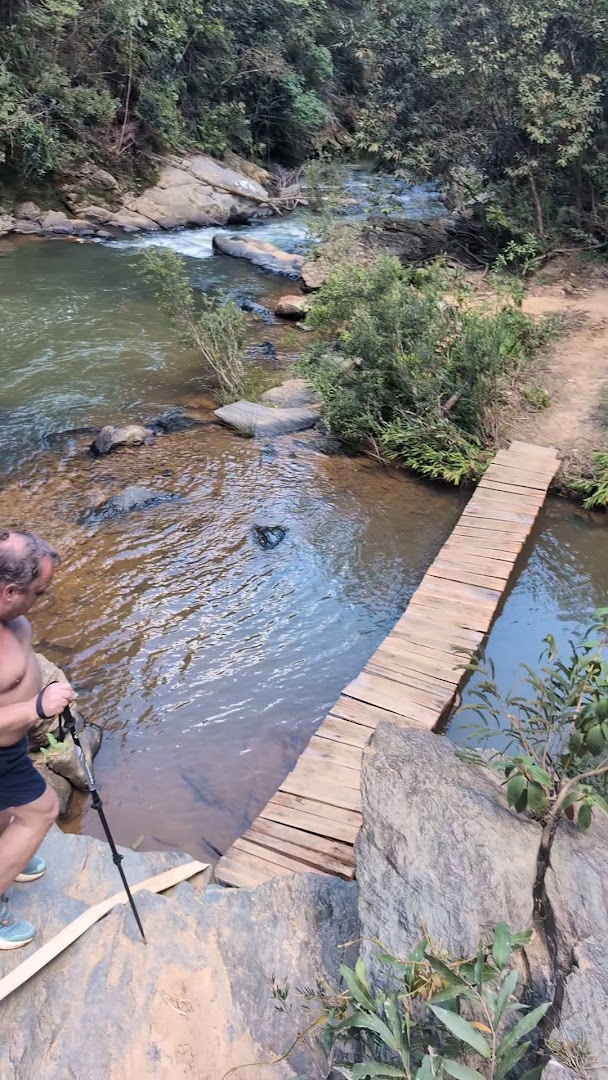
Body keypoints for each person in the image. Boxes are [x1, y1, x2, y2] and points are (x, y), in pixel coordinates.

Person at [0, 530, 75, 949]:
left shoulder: (9, 616)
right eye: (38, 592)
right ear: (10, 590)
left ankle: (8, 858)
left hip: (10, 745)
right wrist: (37, 709)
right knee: (42, 810)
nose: (41, 599)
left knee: (5, 810)